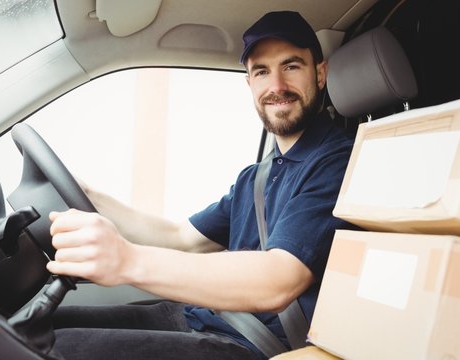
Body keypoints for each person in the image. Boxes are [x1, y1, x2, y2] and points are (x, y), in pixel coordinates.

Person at [49, 10, 356, 360]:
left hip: (249, 344)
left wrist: (126, 259)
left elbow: (280, 279)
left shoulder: (339, 162)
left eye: (291, 66)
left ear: (320, 73)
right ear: (250, 84)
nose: (276, 86)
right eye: (261, 71)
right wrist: (91, 197)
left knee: (56, 349)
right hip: (201, 317)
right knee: (43, 327)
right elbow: (182, 238)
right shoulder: (254, 178)